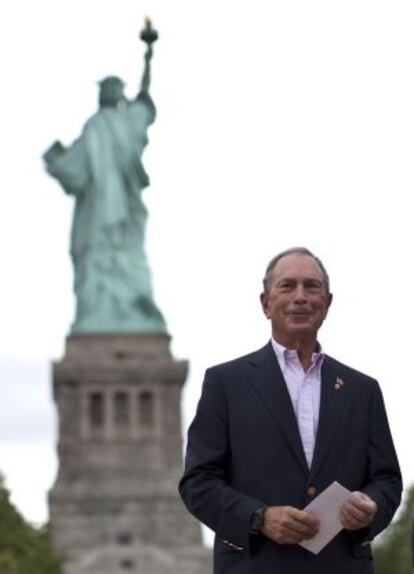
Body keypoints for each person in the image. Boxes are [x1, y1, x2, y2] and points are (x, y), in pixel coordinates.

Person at [179, 247, 402, 574]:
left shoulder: (362, 390)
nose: (300, 297)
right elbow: (198, 483)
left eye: (311, 287)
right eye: (287, 286)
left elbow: (386, 480)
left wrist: (372, 506)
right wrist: (259, 518)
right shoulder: (225, 383)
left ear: (326, 303)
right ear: (266, 303)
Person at [43, 27, 166, 335]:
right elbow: (76, 170)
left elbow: (145, 98)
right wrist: (58, 161)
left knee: (128, 253)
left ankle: (133, 308)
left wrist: (148, 57)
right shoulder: (94, 126)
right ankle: (99, 311)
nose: (108, 92)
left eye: (113, 88)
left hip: (125, 203)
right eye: (104, 88)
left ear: (119, 93)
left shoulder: (129, 120)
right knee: (96, 252)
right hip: (98, 204)